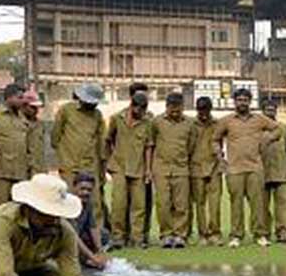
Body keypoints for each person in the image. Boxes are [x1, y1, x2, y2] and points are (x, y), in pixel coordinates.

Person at [215, 88, 279, 248]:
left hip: (255, 168)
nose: (242, 103)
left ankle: (260, 235)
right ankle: (236, 235)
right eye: (239, 100)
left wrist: (268, 139)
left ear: (250, 102)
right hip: (234, 169)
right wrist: (220, 158)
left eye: (245, 100)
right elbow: (215, 139)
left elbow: (277, 129)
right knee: (236, 204)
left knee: (257, 204)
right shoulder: (226, 120)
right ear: (234, 101)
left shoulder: (259, 119)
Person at [52, 83, 107, 228]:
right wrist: (63, 158)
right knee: (69, 200)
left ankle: (98, 236)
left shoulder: (98, 115)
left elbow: (101, 143)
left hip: (90, 165)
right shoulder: (66, 110)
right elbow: (55, 137)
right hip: (69, 165)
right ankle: (69, 233)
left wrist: (102, 168)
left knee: (95, 202)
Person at [105, 92, 154, 249]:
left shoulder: (147, 123)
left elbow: (148, 147)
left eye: (144, 109)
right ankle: (118, 237)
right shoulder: (116, 119)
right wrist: (109, 160)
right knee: (119, 204)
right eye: (139, 109)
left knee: (138, 206)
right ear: (132, 106)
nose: (141, 112)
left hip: (138, 169)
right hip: (119, 167)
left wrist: (148, 170)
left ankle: (137, 238)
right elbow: (108, 139)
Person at [150, 92, 197, 248]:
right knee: (163, 204)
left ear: (183, 106)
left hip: (181, 168)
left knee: (181, 205)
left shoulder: (190, 123)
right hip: (161, 169)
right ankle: (166, 235)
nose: (175, 112)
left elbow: (191, 145)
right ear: (167, 106)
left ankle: (180, 236)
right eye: (172, 109)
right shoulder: (156, 122)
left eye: (178, 109)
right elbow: (152, 144)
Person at [0, 84, 33, 211]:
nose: (22, 101)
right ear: (9, 98)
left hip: (20, 173)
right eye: (19, 98)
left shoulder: (22, 118)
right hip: (0, 172)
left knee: (17, 211)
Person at [187, 96, 223, 245]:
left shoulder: (218, 124)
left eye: (206, 110)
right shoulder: (190, 124)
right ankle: (202, 234)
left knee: (215, 203)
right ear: (197, 109)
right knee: (199, 203)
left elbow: (220, 143)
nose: (203, 113)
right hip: (196, 167)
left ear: (210, 109)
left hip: (214, 167)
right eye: (200, 110)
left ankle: (215, 233)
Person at [261, 99, 286, 243]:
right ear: (262, 111)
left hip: (280, 171)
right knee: (262, 204)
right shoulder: (257, 129)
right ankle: (264, 232)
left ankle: (282, 232)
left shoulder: (284, 128)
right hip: (262, 172)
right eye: (267, 109)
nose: (270, 112)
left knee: (281, 204)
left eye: (272, 109)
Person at [69, 172, 110, 270]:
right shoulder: (68, 204)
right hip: (68, 238)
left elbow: (93, 227)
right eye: (82, 189)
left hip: (80, 235)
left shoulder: (87, 203)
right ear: (74, 187)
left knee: (103, 234)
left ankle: (88, 258)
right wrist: (92, 257)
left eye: (89, 190)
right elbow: (73, 236)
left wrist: (101, 252)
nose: (85, 193)